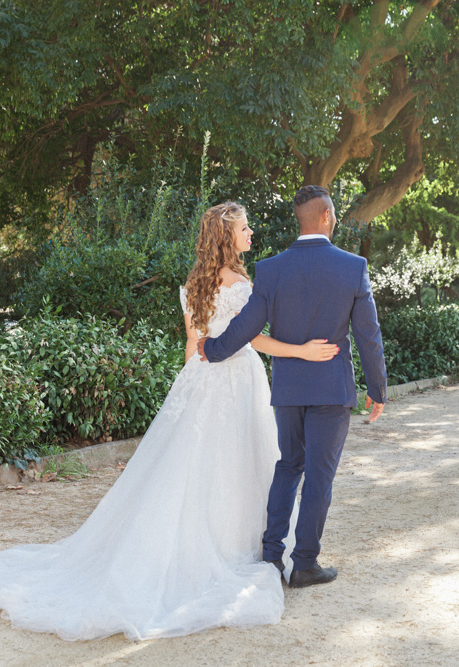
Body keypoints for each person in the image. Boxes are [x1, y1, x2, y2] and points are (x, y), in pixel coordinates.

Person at [0, 201, 338, 641]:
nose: (250, 233)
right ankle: (244, 547)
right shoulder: (240, 283)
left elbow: (193, 344)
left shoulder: (193, 284)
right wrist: (302, 351)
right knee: (240, 462)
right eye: (244, 228)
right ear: (227, 237)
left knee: (197, 463)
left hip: (201, 379)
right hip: (237, 379)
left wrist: (186, 393)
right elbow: (251, 338)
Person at [198, 184, 386, 589]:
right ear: (326, 217)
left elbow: (246, 327)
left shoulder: (271, 268)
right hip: (332, 391)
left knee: (288, 466)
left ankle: (270, 556)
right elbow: (368, 335)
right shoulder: (353, 267)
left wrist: (212, 350)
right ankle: (304, 564)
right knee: (319, 477)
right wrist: (378, 388)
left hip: (288, 390)